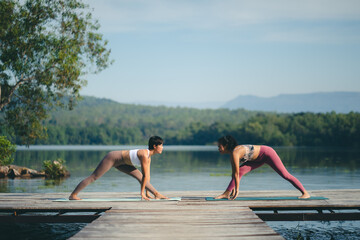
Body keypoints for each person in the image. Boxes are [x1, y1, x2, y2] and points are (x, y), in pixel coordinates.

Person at [69, 136, 168, 201]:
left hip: (123, 163)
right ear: (155, 146)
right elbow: (145, 176)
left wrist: (147, 192)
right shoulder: (144, 155)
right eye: (161, 145)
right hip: (112, 158)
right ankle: (73, 195)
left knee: (139, 176)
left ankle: (156, 194)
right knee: (94, 177)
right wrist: (142, 192)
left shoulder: (148, 157)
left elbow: (147, 176)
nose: (162, 147)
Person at [215, 135, 310, 200]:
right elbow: (235, 173)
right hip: (256, 160)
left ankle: (305, 193)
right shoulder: (233, 154)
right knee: (240, 172)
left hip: (267, 153)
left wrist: (237, 189)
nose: (218, 148)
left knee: (285, 175)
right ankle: (226, 193)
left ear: (226, 146)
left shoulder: (236, 152)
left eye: (220, 146)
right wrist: (233, 188)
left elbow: (235, 174)